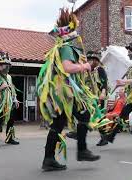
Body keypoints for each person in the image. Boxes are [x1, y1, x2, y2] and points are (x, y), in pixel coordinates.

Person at [37, 8, 100, 171]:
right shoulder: (66, 47)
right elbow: (67, 67)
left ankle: (49, 159)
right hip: (64, 92)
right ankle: (81, 150)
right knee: (84, 114)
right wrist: (85, 66)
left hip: (62, 91)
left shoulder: (63, 46)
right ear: (71, 31)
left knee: (58, 124)